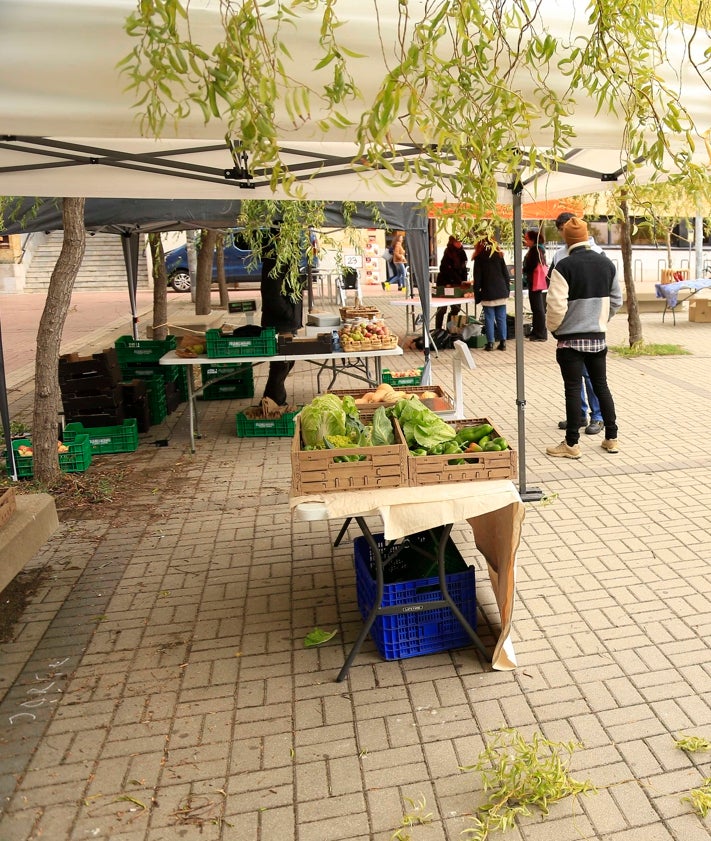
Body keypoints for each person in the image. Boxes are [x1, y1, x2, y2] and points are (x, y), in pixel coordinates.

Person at [545, 217, 622, 459]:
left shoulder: (564, 266)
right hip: (597, 338)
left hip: (570, 340)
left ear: (566, 240)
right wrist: (598, 320)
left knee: (573, 389)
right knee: (602, 386)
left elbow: (555, 305)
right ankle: (611, 438)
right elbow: (617, 300)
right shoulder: (607, 264)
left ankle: (571, 444)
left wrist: (555, 329)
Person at [260, 233, 304, 406]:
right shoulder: (274, 263)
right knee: (281, 364)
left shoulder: (286, 261)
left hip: (287, 321)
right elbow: (273, 295)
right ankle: (274, 401)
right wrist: (289, 314)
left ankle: (270, 400)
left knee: (286, 363)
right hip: (279, 323)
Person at [472, 236, 511, 351]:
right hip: (501, 290)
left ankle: (490, 343)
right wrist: (507, 290)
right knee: (501, 317)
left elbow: (477, 278)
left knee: (489, 318)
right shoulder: (499, 255)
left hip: (487, 291)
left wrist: (476, 294)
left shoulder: (479, 258)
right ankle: (503, 342)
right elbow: (506, 274)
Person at [435, 235, 468, 331]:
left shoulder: (462, 253)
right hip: (444, 283)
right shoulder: (448, 252)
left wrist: (464, 282)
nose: (459, 244)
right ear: (452, 242)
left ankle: (450, 329)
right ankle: (438, 330)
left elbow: (464, 269)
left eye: (460, 242)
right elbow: (446, 270)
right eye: (457, 242)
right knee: (442, 309)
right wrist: (454, 282)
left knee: (456, 308)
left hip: (457, 284)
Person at [523, 227, 548, 341]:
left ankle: (541, 333)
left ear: (533, 240)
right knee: (535, 307)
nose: (525, 241)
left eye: (527, 239)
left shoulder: (535, 250)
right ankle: (535, 331)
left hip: (535, 281)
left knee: (538, 308)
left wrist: (523, 269)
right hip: (535, 281)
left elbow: (531, 265)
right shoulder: (538, 249)